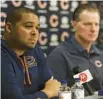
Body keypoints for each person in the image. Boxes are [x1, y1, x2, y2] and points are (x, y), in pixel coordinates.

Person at [1, 7, 61, 99]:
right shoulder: (2, 55)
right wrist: (47, 93)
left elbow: (51, 84)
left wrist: (48, 92)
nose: (35, 33)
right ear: (9, 28)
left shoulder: (35, 50)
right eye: (28, 26)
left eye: (37, 28)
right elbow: (50, 91)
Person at [47, 3, 103, 95]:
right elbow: (54, 94)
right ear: (74, 24)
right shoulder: (59, 55)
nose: (93, 29)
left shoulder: (100, 55)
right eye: (87, 24)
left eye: (96, 24)